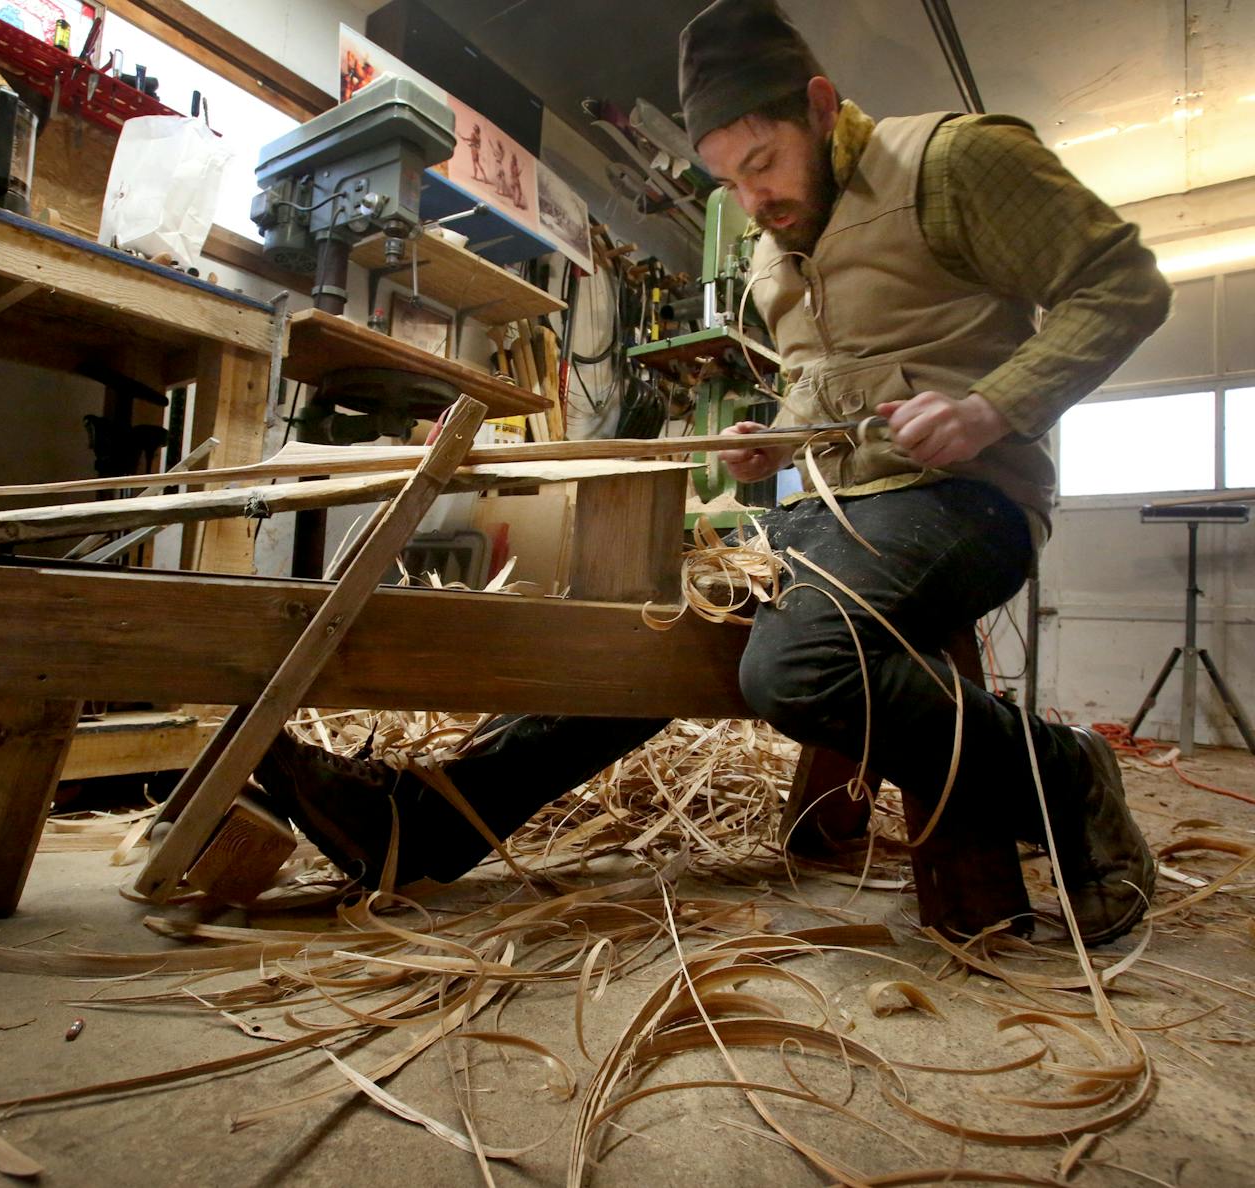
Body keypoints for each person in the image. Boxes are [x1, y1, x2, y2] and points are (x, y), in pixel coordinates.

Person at [254, 0, 1171, 945]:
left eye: (764, 162)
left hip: (966, 500)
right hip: (826, 507)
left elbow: (1123, 285)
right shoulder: (775, 242)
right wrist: (775, 438)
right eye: (729, 178)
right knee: (642, 633)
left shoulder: (954, 162)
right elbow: (824, 380)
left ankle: (1069, 778)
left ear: (820, 107)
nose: (755, 197)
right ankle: (428, 820)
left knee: (798, 670)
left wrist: (990, 407)